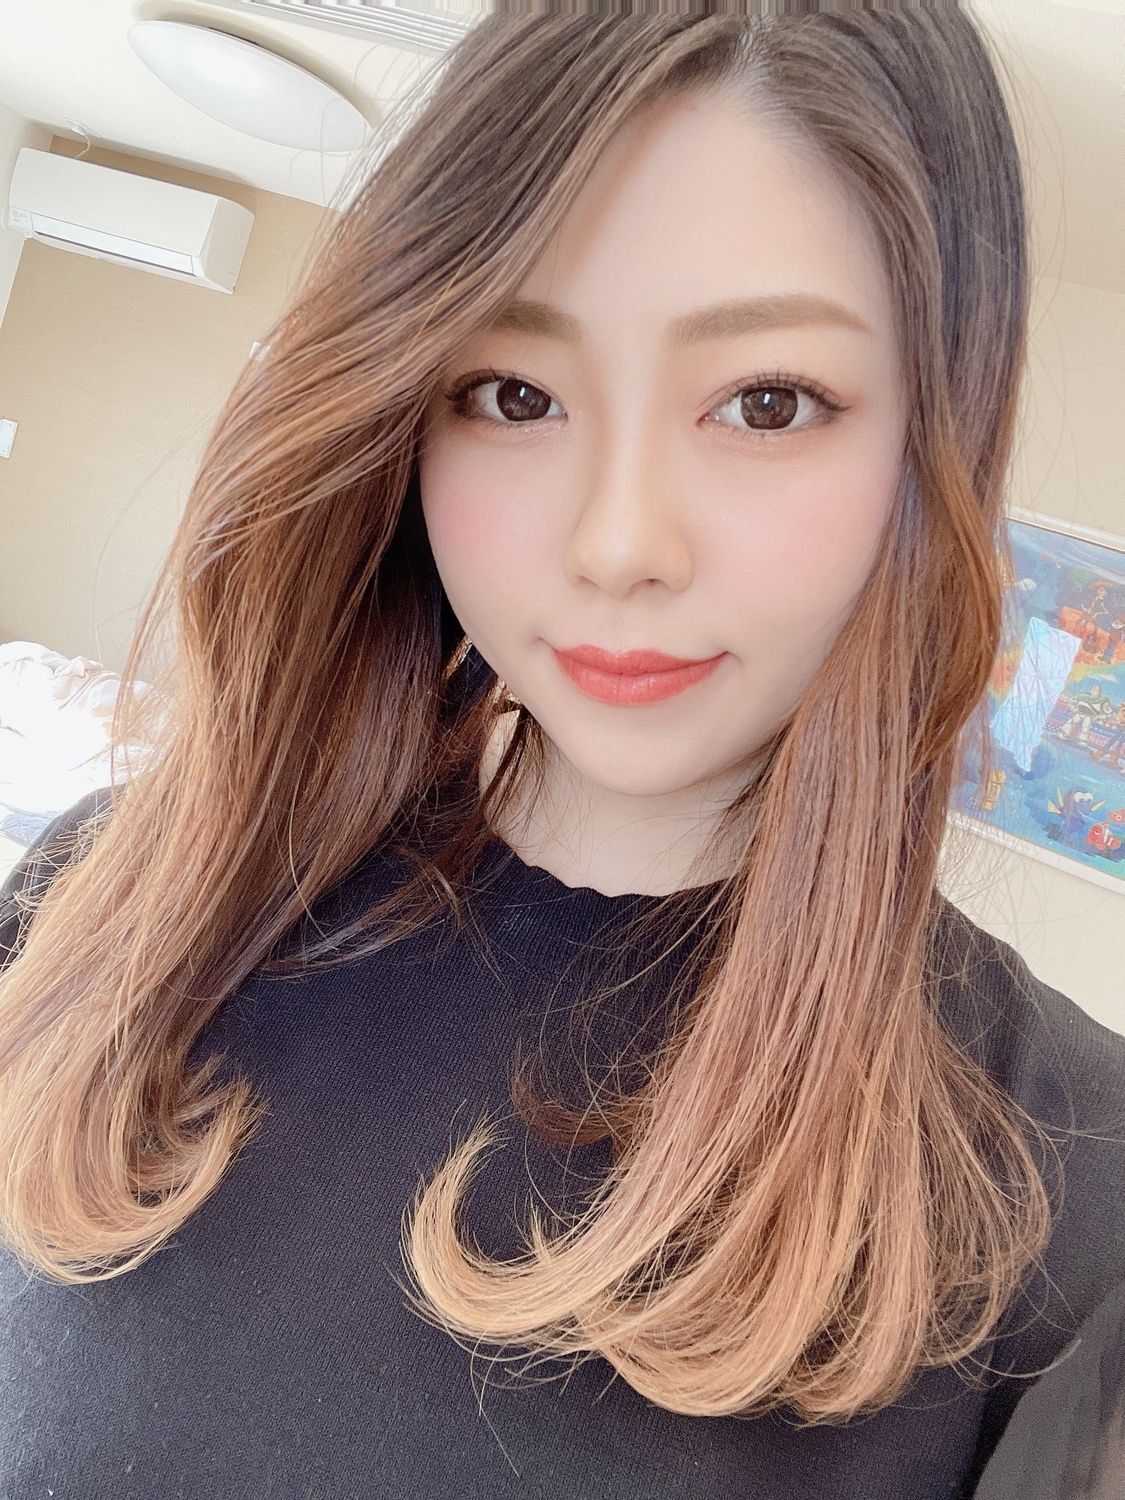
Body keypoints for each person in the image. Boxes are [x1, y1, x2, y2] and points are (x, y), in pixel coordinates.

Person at [1, 6, 1122, 1498]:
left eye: (768, 402)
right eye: (514, 395)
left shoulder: (1073, 1190)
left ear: (931, 451)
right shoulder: (106, 901)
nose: (616, 543)